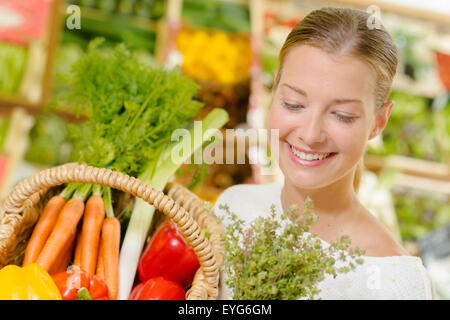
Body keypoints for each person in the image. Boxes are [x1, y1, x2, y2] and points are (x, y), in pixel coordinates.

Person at [213, 7, 434, 300]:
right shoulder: (234, 207)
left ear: (379, 121)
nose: (310, 134)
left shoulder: (397, 285)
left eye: (342, 115)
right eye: (293, 103)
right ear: (275, 88)